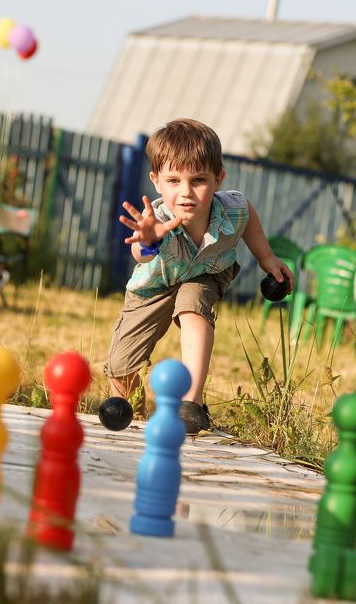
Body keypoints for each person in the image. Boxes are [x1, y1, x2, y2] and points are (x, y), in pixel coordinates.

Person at [100, 118, 293, 435]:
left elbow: (247, 216)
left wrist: (266, 257)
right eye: (173, 181)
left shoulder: (233, 207)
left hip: (207, 273)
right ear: (156, 181)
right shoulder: (157, 220)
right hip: (152, 287)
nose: (186, 192)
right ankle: (135, 414)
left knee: (193, 307)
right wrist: (149, 240)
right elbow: (141, 254)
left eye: (198, 180)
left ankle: (191, 403)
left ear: (218, 179)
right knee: (121, 368)